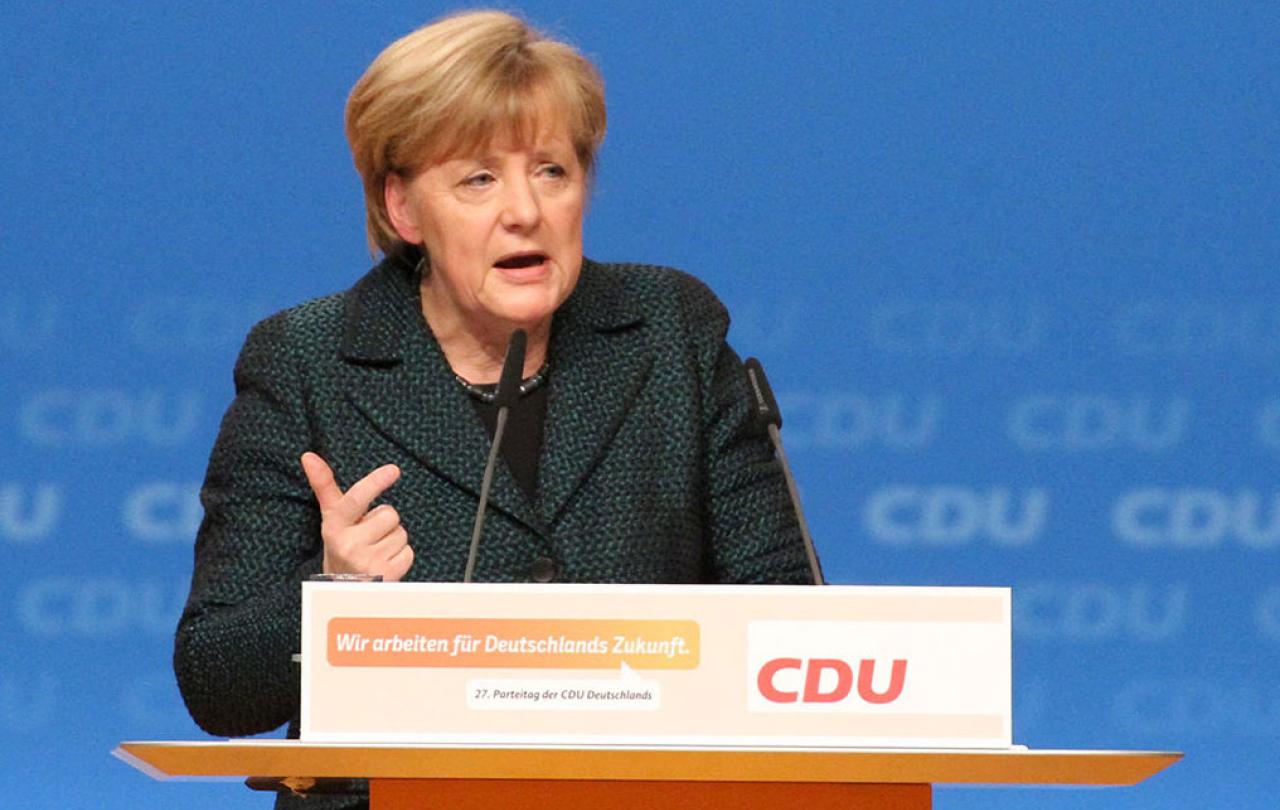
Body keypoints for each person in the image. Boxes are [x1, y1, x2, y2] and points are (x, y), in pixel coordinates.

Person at [174, 10, 813, 808]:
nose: (525, 210)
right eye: (478, 179)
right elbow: (214, 679)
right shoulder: (307, 362)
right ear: (404, 209)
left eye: (552, 171)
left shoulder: (670, 332)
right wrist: (335, 596)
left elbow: (785, 622)